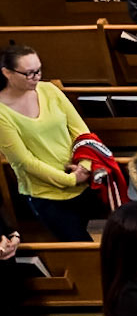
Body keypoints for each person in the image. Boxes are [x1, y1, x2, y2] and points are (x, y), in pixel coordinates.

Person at [0, 42, 97, 239]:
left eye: (38, 71)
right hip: (46, 194)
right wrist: (69, 180)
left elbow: (82, 132)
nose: (36, 77)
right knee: (81, 249)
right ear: (7, 73)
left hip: (82, 181)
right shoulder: (2, 111)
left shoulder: (49, 90)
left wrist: (84, 166)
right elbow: (24, 161)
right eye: (28, 73)